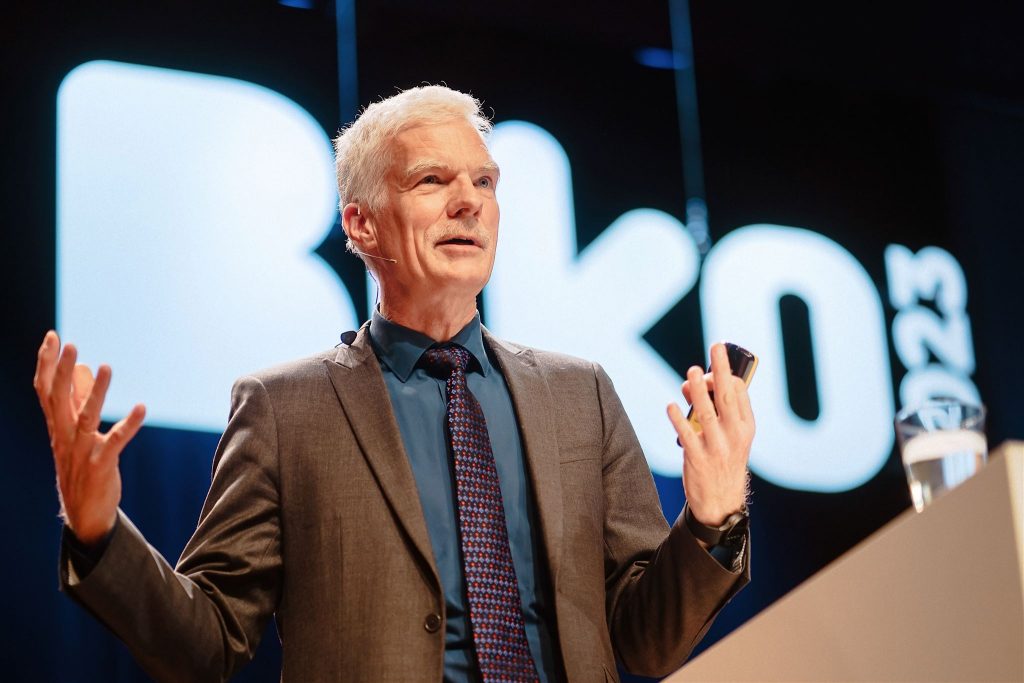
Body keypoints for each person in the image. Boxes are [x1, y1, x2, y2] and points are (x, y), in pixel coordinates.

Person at [33, 85, 754, 682]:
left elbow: (647, 641)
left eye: (484, 182)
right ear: (362, 224)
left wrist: (712, 518)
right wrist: (99, 533)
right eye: (432, 180)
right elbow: (208, 641)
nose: (469, 202)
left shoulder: (581, 394)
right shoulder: (285, 409)